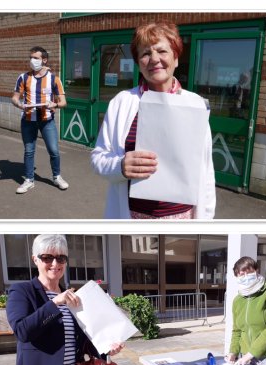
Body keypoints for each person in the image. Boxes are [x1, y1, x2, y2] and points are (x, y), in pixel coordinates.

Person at [91, 21, 216, 219]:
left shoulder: (196, 105)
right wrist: (120, 166)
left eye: (162, 51)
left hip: (183, 217)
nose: (154, 59)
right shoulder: (122, 102)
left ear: (176, 58)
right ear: (138, 63)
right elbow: (98, 158)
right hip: (132, 216)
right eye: (145, 53)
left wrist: (206, 219)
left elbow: (206, 170)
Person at [7, 234, 124, 365]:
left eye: (61, 258)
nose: (55, 264)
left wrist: (106, 349)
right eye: (47, 258)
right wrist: (54, 304)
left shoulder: (73, 296)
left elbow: (82, 337)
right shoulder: (22, 291)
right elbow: (22, 331)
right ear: (35, 259)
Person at [12, 46, 68, 194]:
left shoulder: (54, 79)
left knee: (54, 151)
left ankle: (57, 176)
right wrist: (19, 104)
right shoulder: (23, 77)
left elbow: (63, 102)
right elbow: (15, 98)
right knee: (29, 151)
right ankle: (29, 180)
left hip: (47, 121)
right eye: (31, 57)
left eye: (35, 58)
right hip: (28, 120)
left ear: (44, 60)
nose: (32, 60)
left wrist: (54, 104)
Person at [226, 257, 266, 365]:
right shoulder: (238, 300)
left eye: (248, 272)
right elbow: (237, 330)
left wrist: (251, 353)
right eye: (241, 274)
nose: (245, 277)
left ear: (256, 270)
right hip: (246, 358)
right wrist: (233, 352)